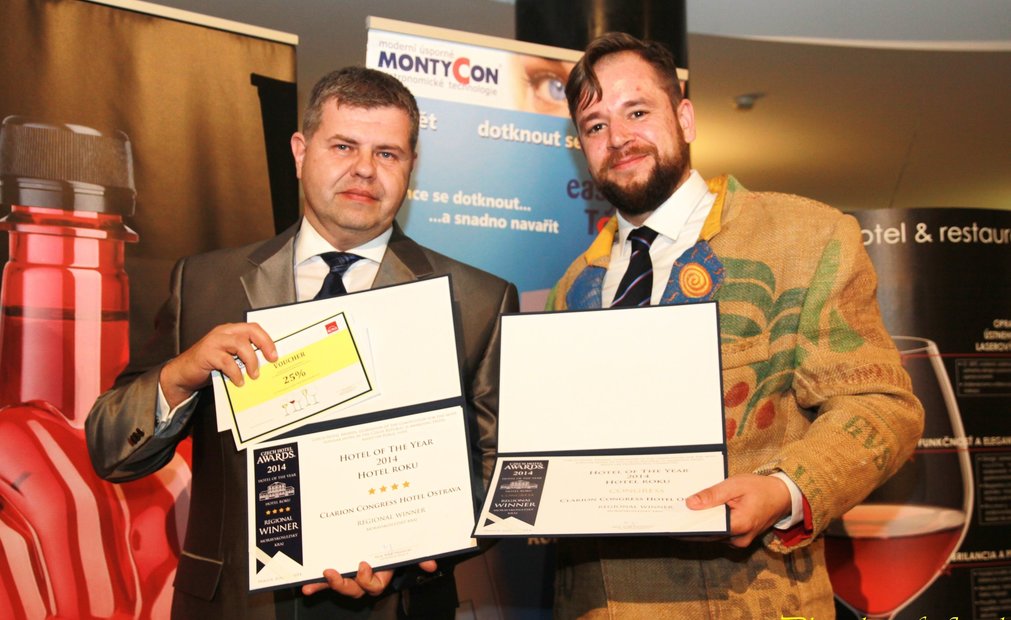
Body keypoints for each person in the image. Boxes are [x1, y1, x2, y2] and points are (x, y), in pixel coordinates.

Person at [86, 67, 518, 620]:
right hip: (236, 607)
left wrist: (408, 555)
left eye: (387, 153)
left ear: (411, 167)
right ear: (300, 151)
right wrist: (180, 375)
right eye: (344, 146)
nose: (365, 168)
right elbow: (110, 448)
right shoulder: (204, 284)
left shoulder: (478, 300)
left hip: (398, 606)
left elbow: (500, 472)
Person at [546, 32, 923, 618]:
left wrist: (784, 489)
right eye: (596, 125)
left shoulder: (806, 238)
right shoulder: (570, 290)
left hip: (758, 598)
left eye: (637, 112)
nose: (617, 138)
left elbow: (882, 406)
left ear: (685, 118)